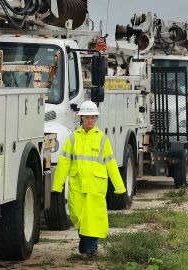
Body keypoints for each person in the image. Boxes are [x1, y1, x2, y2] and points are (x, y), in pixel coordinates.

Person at [52, 101, 126, 256]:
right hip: (77, 185)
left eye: (93, 117)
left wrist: (119, 186)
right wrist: (57, 185)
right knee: (78, 216)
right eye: (87, 118)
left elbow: (111, 163)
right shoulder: (73, 138)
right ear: (82, 119)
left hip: (95, 186)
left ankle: (92, 248)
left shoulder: (102, 139)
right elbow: (64, 162)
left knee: (93, 218)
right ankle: (84, 241)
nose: (90, 121)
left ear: (96, 118)